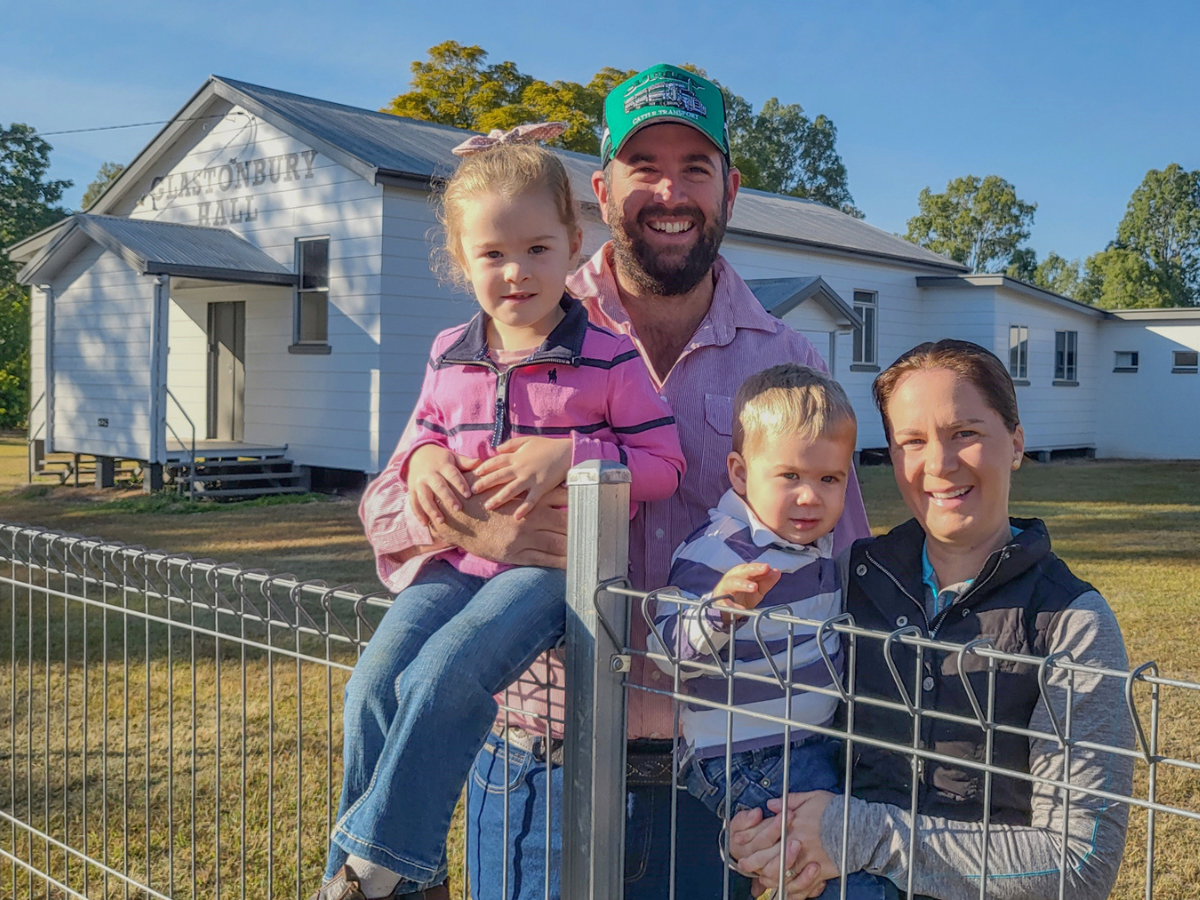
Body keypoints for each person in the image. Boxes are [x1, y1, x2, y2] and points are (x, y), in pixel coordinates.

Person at [359, 63, 871, 900]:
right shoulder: (517, 317)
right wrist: (471, 524)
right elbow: (384, 509)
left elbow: (846, 559)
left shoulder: (786, 360)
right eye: (645, 167)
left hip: (716, 781)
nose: (670, 191)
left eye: (695, 168)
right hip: (536, 764)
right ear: (601, 190)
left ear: (730, 190)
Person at [314, 128, 686, 900]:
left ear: (573, 246)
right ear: (461, 260)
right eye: (492, 254)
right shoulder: (450, 351)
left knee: (446, 675)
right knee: (374, 685)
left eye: (538, 249)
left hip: (550, 569)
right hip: (454, 564)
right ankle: (393, 875)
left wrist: (576, 456)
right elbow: (418, 441)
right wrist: (420, 459)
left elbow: (665, 464)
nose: (516, 272)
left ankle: (366, 873)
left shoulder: (609, 358)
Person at [727, 340, 1134, 900]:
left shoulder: (1072, 624)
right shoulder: (846, 579)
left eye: (965, 433)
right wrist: (764, 833)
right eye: (911, 442)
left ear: (1015, 442)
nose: (939, 465)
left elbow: (1080, 866)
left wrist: (862, 835)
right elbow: (768, 731)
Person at [648, 364, 897, 900]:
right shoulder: (719, 550)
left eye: (829, 479)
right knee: (839, 874)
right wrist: (718, 612)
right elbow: (665, 649)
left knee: (844, 852)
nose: (811, 497)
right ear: (740, 474)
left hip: (812, 741)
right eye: (791, 477)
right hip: (749, 753)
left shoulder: (816, 546)